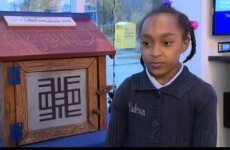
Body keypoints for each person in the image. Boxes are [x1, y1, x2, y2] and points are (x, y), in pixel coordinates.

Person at [105, 1, 217, 147]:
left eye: (167, 43)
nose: (155, 52)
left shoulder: (203, 95)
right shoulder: (127, 90)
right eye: (146, 43)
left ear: (184, 44)